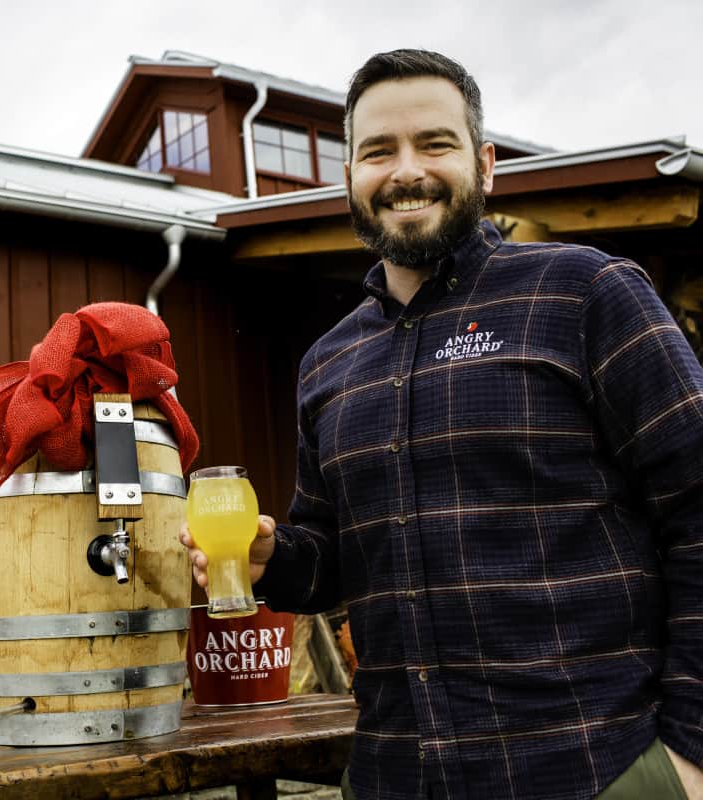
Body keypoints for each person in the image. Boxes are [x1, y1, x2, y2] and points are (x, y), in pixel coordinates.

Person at [180, 49, 703, 800]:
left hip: (594, 768)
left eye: (435, 143)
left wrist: (688, 758)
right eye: (378, 151)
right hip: (397, 776)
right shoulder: (329, 362)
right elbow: (334, 557)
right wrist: (276, 559)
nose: (405, 171)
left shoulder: (586, 292)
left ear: (485, 165)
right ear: (350, 179)